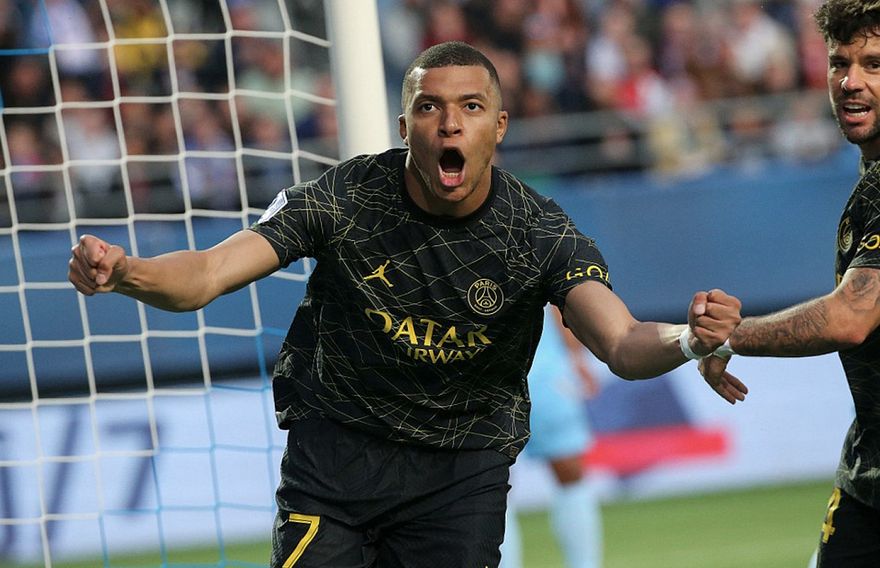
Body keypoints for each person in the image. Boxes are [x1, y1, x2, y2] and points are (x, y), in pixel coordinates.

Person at [68, 41, 744, 568]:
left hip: (460, 473)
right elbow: (210, 272)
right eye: (429, 107)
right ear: (405, 125)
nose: (450, 123)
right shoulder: (345, 198)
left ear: (499, 126)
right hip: (335, 461)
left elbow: (620, 341)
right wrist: (126, 271)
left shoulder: (539, 232)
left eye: (471, 107)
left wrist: (688, 339)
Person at [700, 2, 880, 566]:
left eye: (874, 64)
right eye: (839, 63)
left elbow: (852, 315)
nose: (850, 82)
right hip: (868, 472)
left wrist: (731, 337)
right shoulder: (870, 178)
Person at [501, 305, 602, 568]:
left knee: (568, 473)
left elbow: (560, 298)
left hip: (540, 373)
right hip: (505, 378)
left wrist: (576, 357)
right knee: (493, 483)